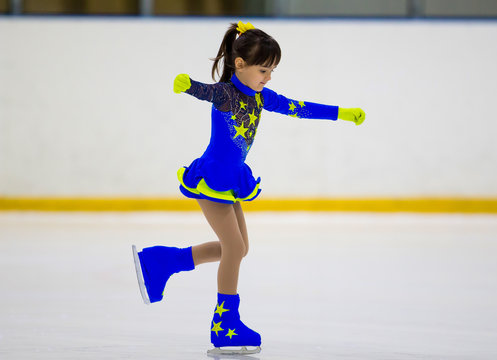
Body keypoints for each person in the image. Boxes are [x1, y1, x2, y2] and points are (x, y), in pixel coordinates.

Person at [132, 21, 365, 355]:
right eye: (263, 69)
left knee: (238, 249)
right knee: (233, 248)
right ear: (239, 65)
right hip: (212, 181)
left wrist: (341, 113)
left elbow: (298, 108)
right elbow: (205, 91)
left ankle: (163, 261)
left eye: (272, 71)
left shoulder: (261, 97)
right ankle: (225, 323)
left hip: (232, 181)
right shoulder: (226, 94)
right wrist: (187, 86)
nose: (268, 77)